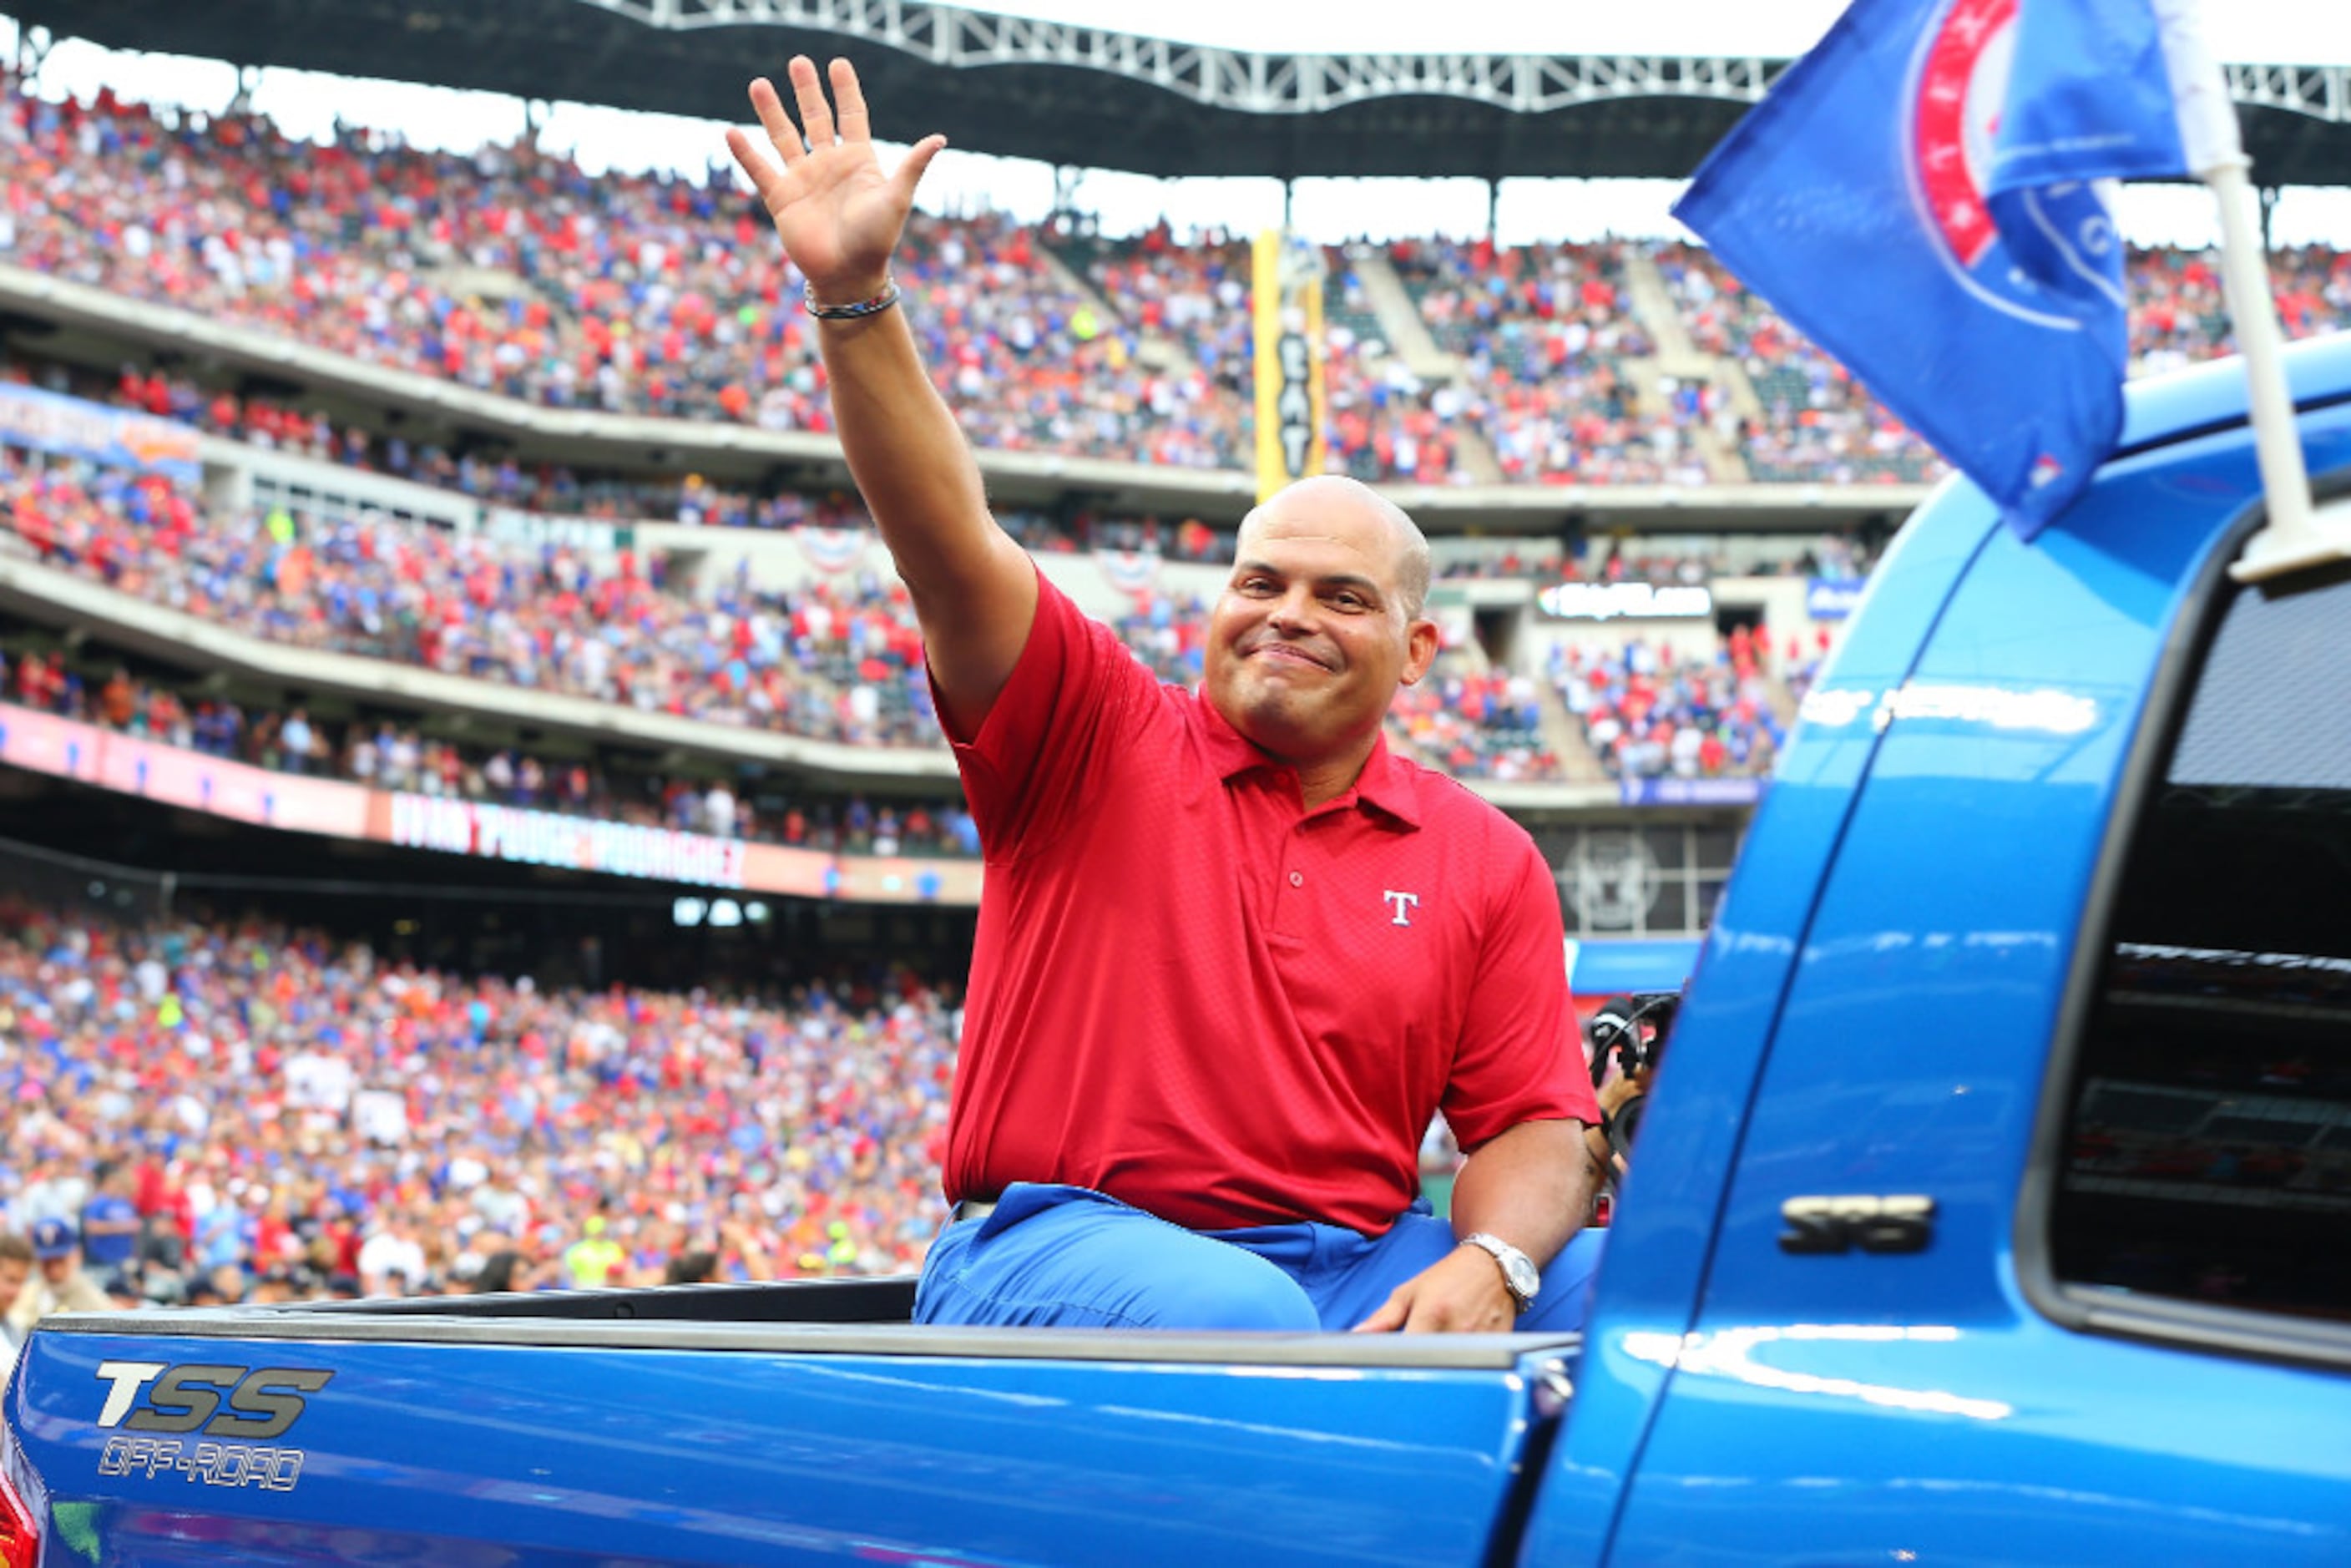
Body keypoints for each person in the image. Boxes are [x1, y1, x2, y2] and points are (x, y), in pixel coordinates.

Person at [726, 58, 1605, 1335]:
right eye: (1262, 579)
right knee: (1250, 1323)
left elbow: (1533, 1119)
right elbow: (948, 541)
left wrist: (1500, 1265)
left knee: (1639, 1296)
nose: (1289, 612)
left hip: (1353, 1252)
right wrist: (854, 296)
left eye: (1342, 597)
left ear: (1415, 654)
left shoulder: (1485, 857)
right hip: (1065, 1245)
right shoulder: (1091, 732)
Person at [8, 1218, 114, 1337]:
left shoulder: (94, 1301)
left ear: (76, 1256)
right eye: (46, 1262)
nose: (54, 1269)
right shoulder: (22, 1294)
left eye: (60, 1261)